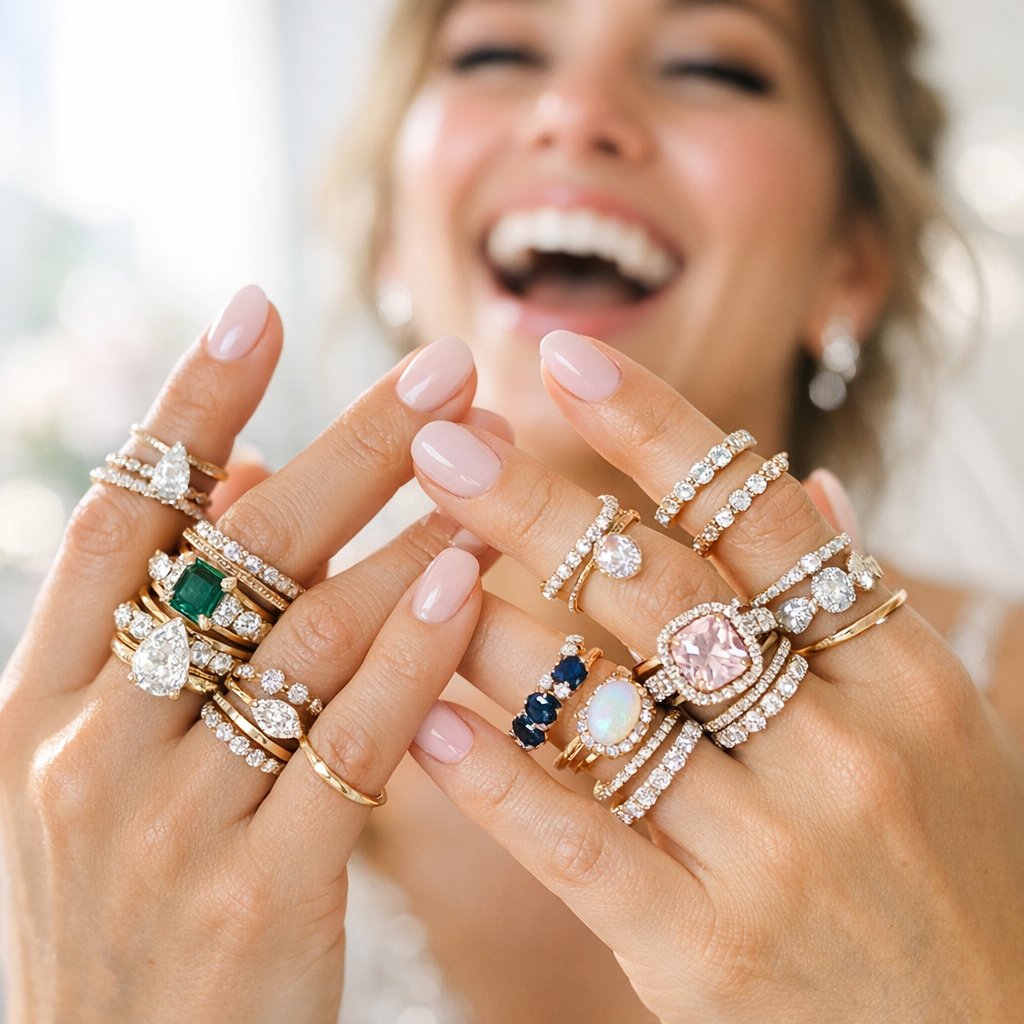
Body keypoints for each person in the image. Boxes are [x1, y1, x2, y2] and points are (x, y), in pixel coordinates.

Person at [2, 1, 1022, 1021]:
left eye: (712, 66)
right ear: (391, 235)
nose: (574, 112)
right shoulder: (104, 801)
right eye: (495, 51)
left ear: (853, 261)